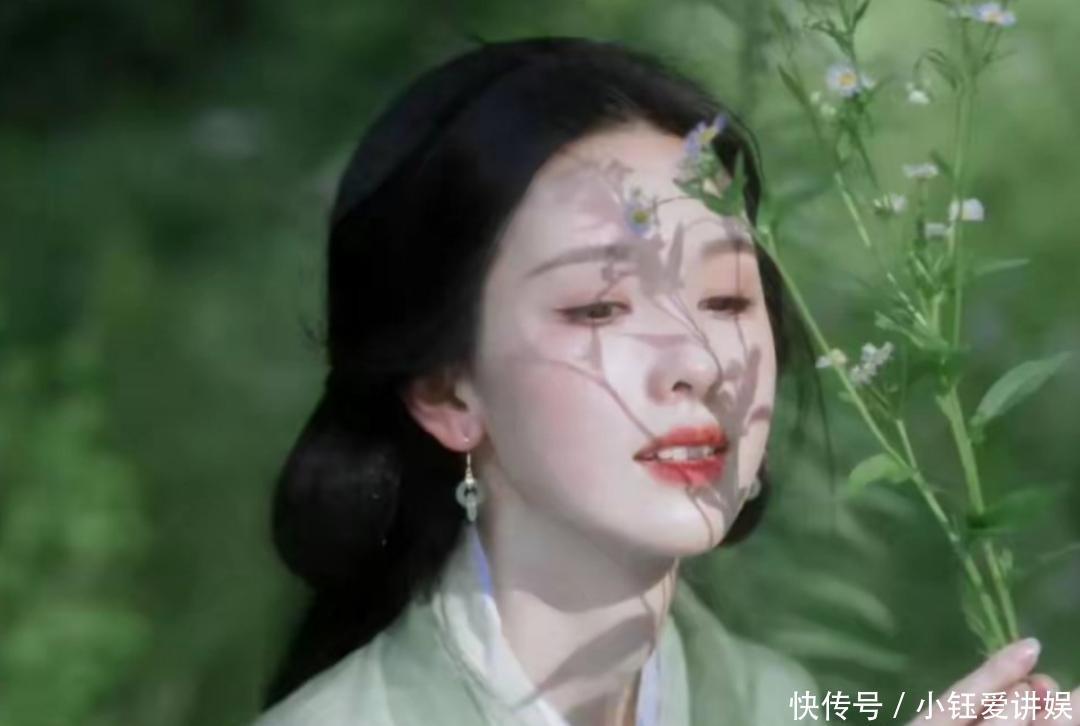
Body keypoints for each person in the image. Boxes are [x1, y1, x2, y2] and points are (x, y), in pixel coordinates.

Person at [252, 37, 1077, 726]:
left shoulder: (776, 701)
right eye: (599, 308)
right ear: (447, 391)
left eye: (726, 300)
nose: (701, 362)